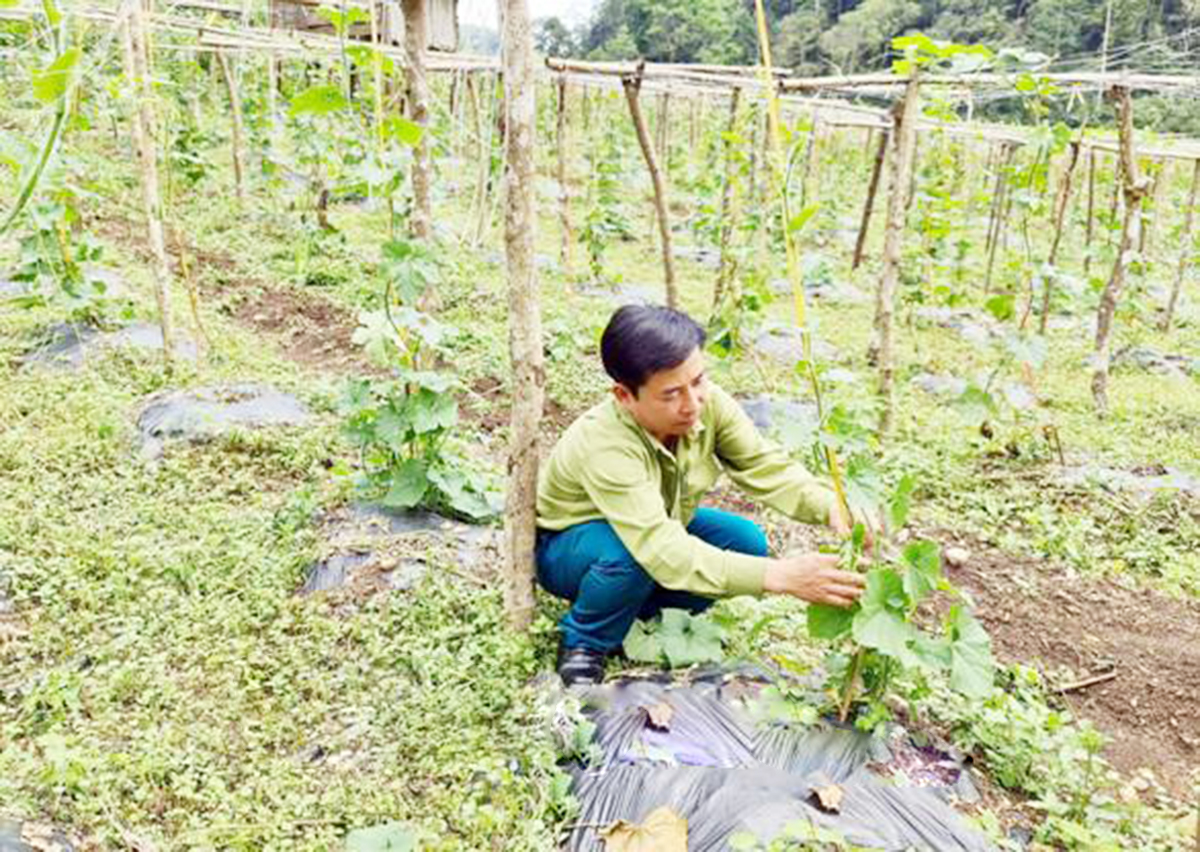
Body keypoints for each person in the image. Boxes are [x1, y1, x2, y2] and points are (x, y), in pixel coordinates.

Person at [536, 304, 870, 685]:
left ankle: (635, 611)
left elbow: (763, 465)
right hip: (570, 547)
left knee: (745, 542)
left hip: (658, 524)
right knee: (631, 555)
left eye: (698, 381)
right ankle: (586, 642)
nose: (692, 403)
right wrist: (780, 576)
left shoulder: (709, 406)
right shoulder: (605, 445)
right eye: (671, 394)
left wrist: (829, 504)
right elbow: (660, 547)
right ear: (625, 395)